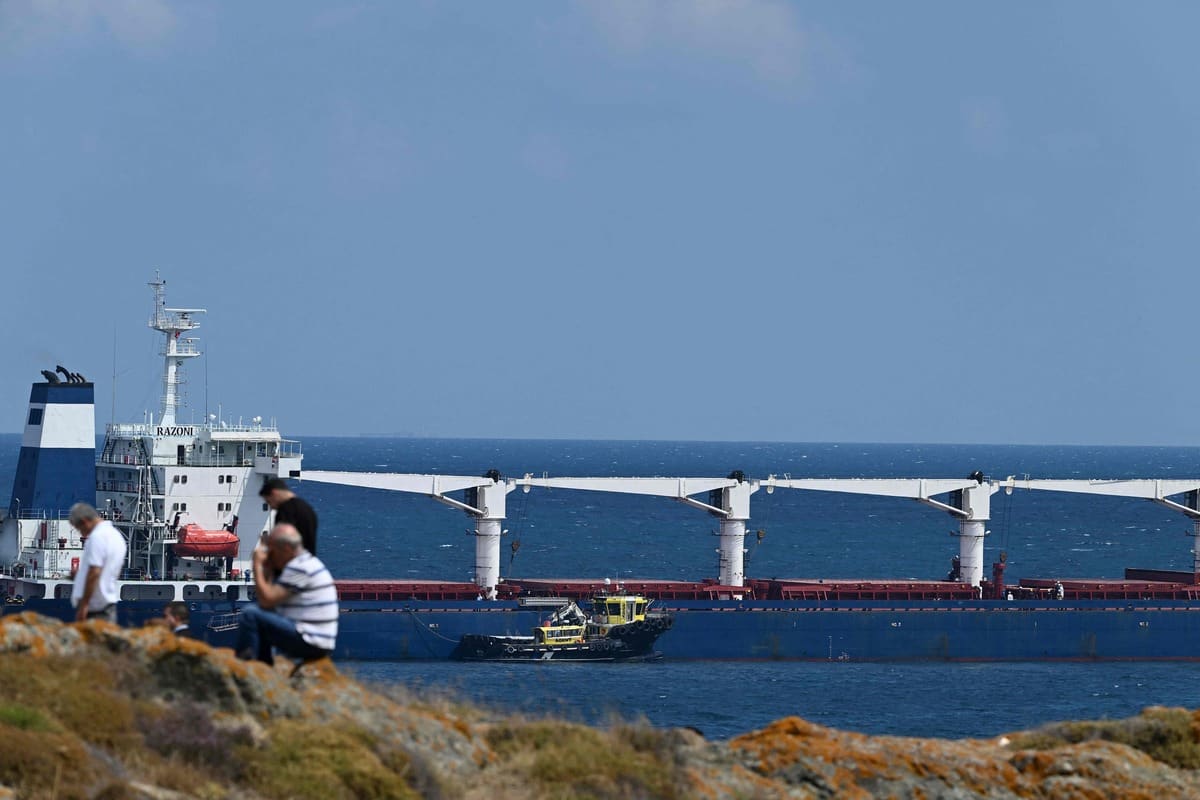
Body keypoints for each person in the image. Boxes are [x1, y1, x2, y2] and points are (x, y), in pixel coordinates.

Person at [236, 523, 337, 665]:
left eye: (272, 551)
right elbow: (269, 602)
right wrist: (268, 570)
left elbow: (266, 600)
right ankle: (263, 666)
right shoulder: (307, 562)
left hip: (310, 641)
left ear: (287, 549)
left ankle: (246, 668)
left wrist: (257, 566)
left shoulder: (299, 567)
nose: (270, 555)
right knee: (262, 617)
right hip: (317, 640)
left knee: (250, 614)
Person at [69, 502, 128, 624]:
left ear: (85, 521)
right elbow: (107, 572)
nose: (81, 533)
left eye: (79, 528)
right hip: (108, 605)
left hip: (94, 609)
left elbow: (95, 572)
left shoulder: (97, 537)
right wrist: (80, 576)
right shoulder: (117, 536)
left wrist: (84, 605)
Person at [259, 477, 319, 555]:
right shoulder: (307, 508)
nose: (271, 507)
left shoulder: (285, 511)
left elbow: (284, 542)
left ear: (274, 493)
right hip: (308, 559)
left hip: (292, 562)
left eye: (269, 501)